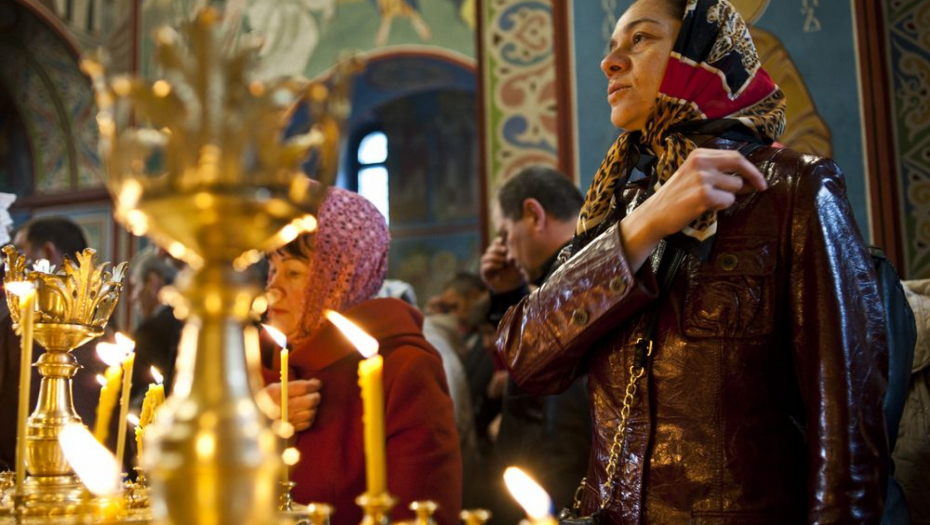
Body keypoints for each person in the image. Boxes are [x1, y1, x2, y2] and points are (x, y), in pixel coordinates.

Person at [495, 1, 888, 523]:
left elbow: (847, 429)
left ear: (699, 52)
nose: (610, 63)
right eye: (610, 47)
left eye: (639, 40)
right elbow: (525, 356)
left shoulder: (793, 188)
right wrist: (643, 225)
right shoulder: (619, 202)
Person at [263, 188, 462, 525]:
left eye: (294, 272)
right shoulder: (256, 360)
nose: (272, 289)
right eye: (271, 269)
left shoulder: (405, 369)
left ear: (339, 279)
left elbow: (423, 514)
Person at [478, 166, 591, 523]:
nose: (506, 253)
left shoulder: (571, 289)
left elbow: (563, 425)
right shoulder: (586, 273)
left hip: (554, 501)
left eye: (506, 234)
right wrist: (508, 296)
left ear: (533, 215)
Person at [0, 216, 107, 469]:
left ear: (47, 252)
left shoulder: (16, 323)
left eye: (20, 253)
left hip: (22, 482)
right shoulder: (102, 321)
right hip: (96, 477)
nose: (9, 265)